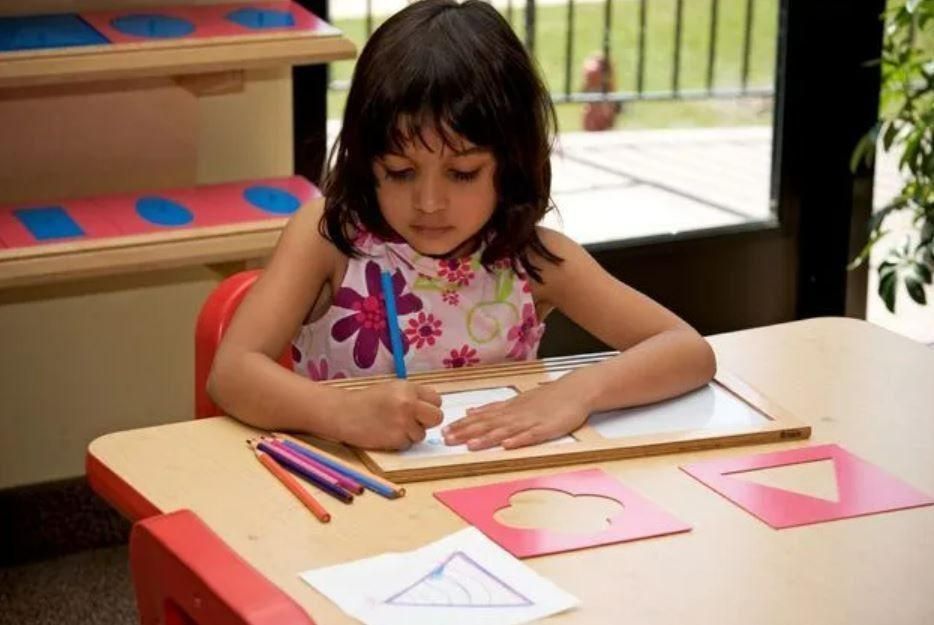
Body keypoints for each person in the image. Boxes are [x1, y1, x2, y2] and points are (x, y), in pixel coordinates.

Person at [208, 0, 715, 452]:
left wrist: (576, 391)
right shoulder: (329, 237)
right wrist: (342, 413)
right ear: (368, 163)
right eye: (400, 172)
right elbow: (232, 374)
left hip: (490, 506)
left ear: (510, 164)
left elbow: (686, 350)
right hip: (353, 499)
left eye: (463, 172)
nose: (429, 202)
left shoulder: (532, 259)